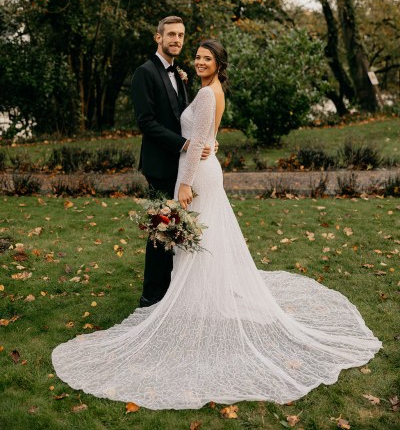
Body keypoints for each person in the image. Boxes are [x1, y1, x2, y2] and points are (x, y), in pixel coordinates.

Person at [52, 40, 381, 410]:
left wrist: (186, 184)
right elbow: (206, 136)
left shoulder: (208, 95)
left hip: (197, 174)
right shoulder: (209, 91)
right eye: (197, 57)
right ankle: (198, 297)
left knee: (195, 238)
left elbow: (195, 145)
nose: (199, 61)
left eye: (207, 58)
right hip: (202, 168)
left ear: (218, 63)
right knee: (200, 238)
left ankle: (195, 302)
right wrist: (210, 144)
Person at [130, 15, 211, 307]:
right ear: (158, 38)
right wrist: (185, 145)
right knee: (160, 229)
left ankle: (170, 292)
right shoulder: (145, 73)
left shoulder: (179, 74)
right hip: (159, 165)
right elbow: (147, 122)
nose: (176, 40)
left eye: (180, 35)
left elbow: (184, 119)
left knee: (174, 228)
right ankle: (151, 297)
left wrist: (202, 140)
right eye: (171, 35)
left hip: (179, 165)